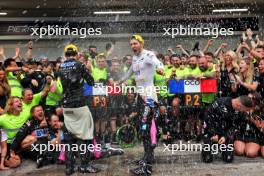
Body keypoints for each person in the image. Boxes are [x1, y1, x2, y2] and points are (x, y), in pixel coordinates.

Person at [119, 34, 164, 176]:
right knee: (142, 128)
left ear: (141, 44)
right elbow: (130, 72)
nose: (133, 46)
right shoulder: (135, 58)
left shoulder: (148, 54)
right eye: (131, 44)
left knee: (145, 130)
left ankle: (147, 168)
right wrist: (119, 81)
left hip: (149, 97)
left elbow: (159, 63)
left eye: (135, 44)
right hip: (140, 97)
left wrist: (160, 69)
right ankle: (147, 158)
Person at [58, 44, 99, 175]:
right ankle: (84, 165)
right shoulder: (79, 65)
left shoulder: (60, 67)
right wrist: (87, 70)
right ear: (76, 54)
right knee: (86, 136)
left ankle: (69, 168)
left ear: (65, 55)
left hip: (66, 105)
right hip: (79, 104)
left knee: (69, 138)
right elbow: (91, 82)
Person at [201, 93, 261, 163]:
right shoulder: (219, 103)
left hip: (225, 133)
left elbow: (235, 127)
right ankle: (209, 147)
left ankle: (222, 148)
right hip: (211, 131)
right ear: (239, 105)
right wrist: (213, 133)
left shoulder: (240, 113)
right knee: (207, 159)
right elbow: (207, 119)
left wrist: (225, 137)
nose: (245, 112)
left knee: (228, 159)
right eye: (244, 110)